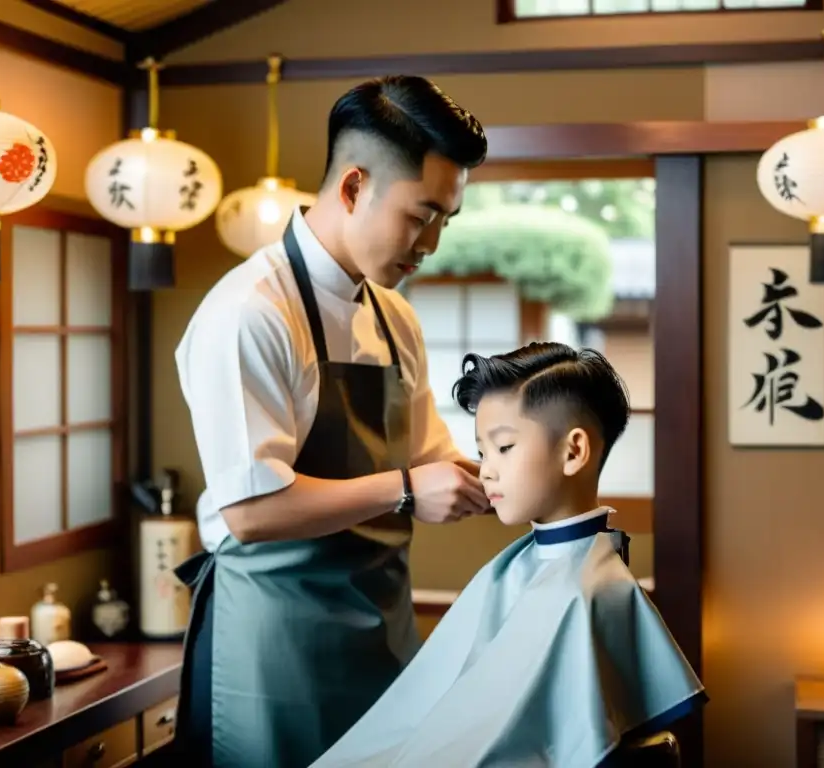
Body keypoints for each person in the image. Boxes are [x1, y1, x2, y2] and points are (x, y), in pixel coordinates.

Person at [171, 75, 491, 768]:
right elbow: (252, 509)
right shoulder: (250, 312)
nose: (431, 242)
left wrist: (529, 471)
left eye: (445, 220)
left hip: (382, 636)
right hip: (274, 651)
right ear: (352, 188)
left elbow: (433, 457)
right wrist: (405, 488)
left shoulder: (393, 313)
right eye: (420, 215)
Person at [312, 342, 707, 768]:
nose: (485, 470)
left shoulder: (592, 590)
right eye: (482, 452)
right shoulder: (512, 570)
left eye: (504, 448)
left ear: (573, 452)